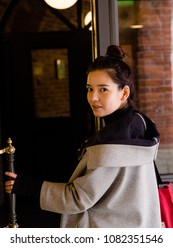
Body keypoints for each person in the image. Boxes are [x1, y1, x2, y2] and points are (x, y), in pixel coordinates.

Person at [5, 45, 161, 228]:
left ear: (124, 92)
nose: (93, 97)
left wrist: (28, 186)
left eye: (103, 89)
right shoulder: (138, 127)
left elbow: (78, 198)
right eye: (89, 89)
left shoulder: (115, 142)